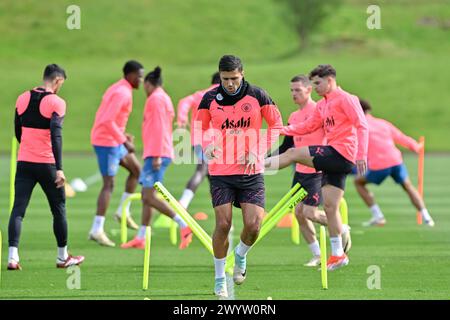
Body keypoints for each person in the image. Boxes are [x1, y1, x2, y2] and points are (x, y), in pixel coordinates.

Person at [265, 64, 368, 271]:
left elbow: (361, 125)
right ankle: (338, 255)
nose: (316, 88)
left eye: (318, 83)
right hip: (333, 159)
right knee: (330, 208)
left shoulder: (347, 99)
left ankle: (255, 167)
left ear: (330, 80)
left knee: (294, 154)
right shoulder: (323, 105)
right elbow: (308, 126)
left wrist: (361, 155)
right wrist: (282, 129)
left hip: (342, 153)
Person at [196, 55, 283, 298]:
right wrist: (207, 145)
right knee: (223, 224)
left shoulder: (258, 95)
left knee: (254, 225)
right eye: (225, 79)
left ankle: (242, 255)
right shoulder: (210, 98)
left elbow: (277, 125)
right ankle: (219, 279)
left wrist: (258, 150)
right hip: (221, 171)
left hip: (250, 172)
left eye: (234, 78)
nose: (230, 84)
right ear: (220, 76)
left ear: (242, 73)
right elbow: (200, 128)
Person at [8, 64, 84, 270]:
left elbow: (18, 130)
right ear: (58, 80)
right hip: (47, 164)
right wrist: (59, 168)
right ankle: (62, 257)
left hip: (24, 162)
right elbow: (56, 135)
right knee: (59, 209)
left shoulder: (22, 97)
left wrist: (27, 148)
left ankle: (12, 258)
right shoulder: (57, 102)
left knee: (18, 209)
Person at [121, 67, 193, 250]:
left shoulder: (156, 99)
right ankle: (141, 237)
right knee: (148, 197)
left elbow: (160, 127)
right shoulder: (164, 97)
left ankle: (183, 224)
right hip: (157, 152)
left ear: (148, 84)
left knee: (148, 196)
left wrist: (158, 154)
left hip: (156, 154)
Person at [354, 98, 435, 227]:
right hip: (396, 161)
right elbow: (400, 137)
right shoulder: (383, 123)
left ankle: (378, 216)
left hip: (379, 165)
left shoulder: (360, 127)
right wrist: (416, 147)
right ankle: (427, 217)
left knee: (358, 182)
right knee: (408, 186)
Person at [89, 60, 144, 247]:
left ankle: (122, 211)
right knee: (108, 184)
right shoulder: (122, 92)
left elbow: (109, 117)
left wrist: (122, 134)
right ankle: (96, 229)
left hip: (114, 139)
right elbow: (106, 120)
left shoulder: (120, 88)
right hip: (106, 142)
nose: (141, 80)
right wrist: (124, 141)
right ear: (130, 75)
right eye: (139, 76)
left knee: (137, 171)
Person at [177, 72, 220, 209]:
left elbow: (184, 102)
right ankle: (182, 204)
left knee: (214, 181)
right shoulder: (224, 95)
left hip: (197, 141)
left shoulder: (201, 94)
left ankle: (225, 222)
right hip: (213, 143)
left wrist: (182, 119)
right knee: (202, 170)